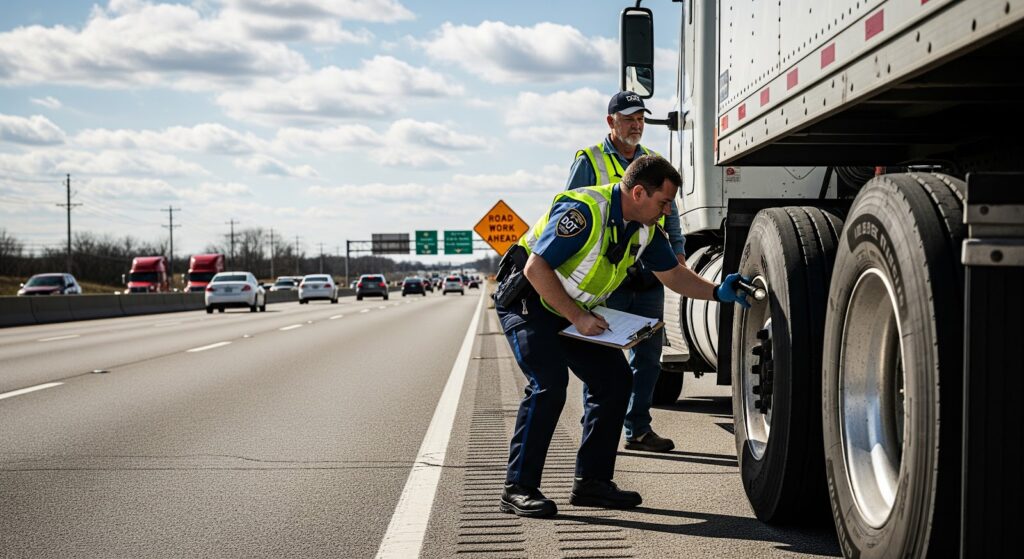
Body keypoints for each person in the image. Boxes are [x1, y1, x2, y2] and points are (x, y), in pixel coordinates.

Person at [496, 155, 749, 518]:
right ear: (639, 192)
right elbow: (537, 268)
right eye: (663, 202)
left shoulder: (645, 228)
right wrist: (578, 317)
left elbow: (673, 275)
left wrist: (717, 293)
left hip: (569, 309)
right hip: (530, 301)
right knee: (548, 385)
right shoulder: (585, 212)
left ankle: (592, 483)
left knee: (615, 381)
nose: (666, 212)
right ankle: (517, 488)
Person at [566, 91, 687, 453]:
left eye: (641, 118)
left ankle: (637, 428)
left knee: (648, 358)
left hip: (649, 272)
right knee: (604, 357)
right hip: (611, 276)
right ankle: (597, 425)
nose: (636, 124)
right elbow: (576, 211)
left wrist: (678, 251)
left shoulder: (654, 161)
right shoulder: (589, 159)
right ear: (611, 122)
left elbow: (671, 212)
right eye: (629, 117)